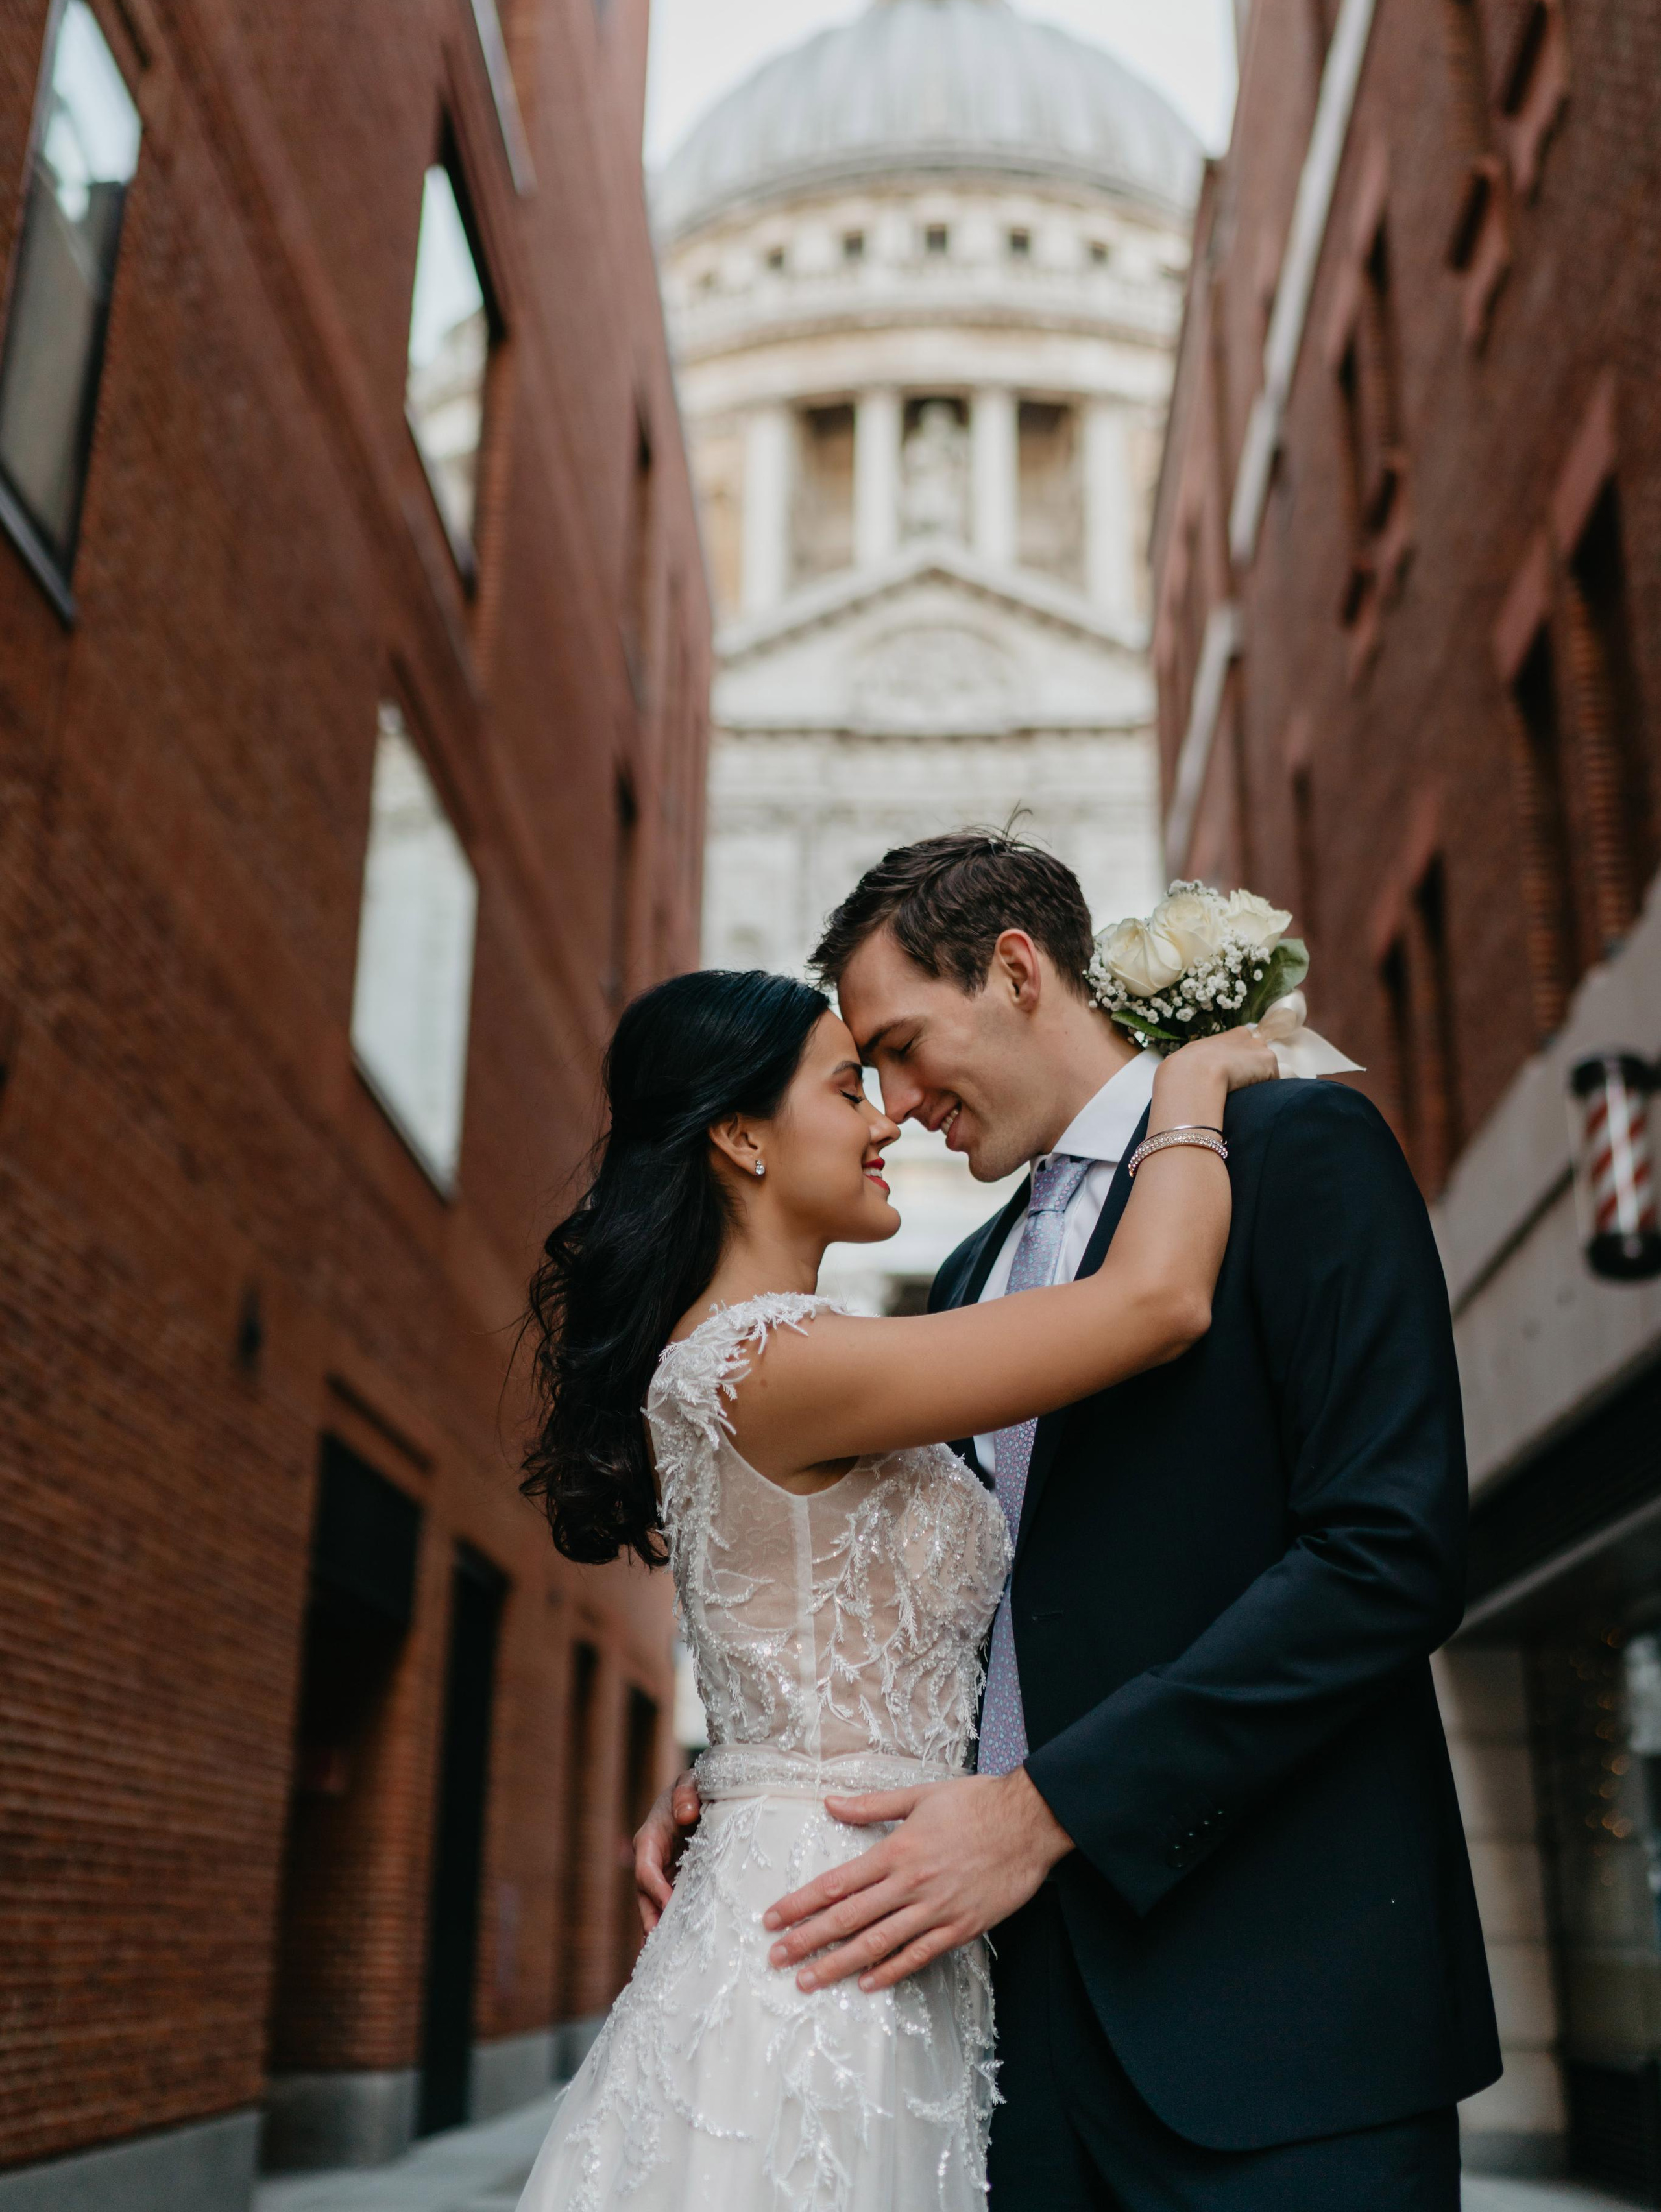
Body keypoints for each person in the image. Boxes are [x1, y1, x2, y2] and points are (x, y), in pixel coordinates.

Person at [638, 831, 1501, 2211]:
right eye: (862, 1071)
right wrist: (759, 1763)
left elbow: (1383, 1557)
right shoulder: (969, 1272)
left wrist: (1049, 1808)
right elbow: (959, 1595)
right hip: (1007, 2043)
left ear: (1017, 969)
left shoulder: (1298, 1148)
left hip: (1283, 2033)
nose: (899, 1103)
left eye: (905, 1046)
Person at [513, 961, 1273, 2212]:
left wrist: (735, 1765)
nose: (885, 1120)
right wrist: (1184, 1090)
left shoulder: (778, 1358)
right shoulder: (774, 1362)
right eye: (844, 1085)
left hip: (864, 1901)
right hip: (826, 1946)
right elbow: (1158, 1299)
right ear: (742, 1135)